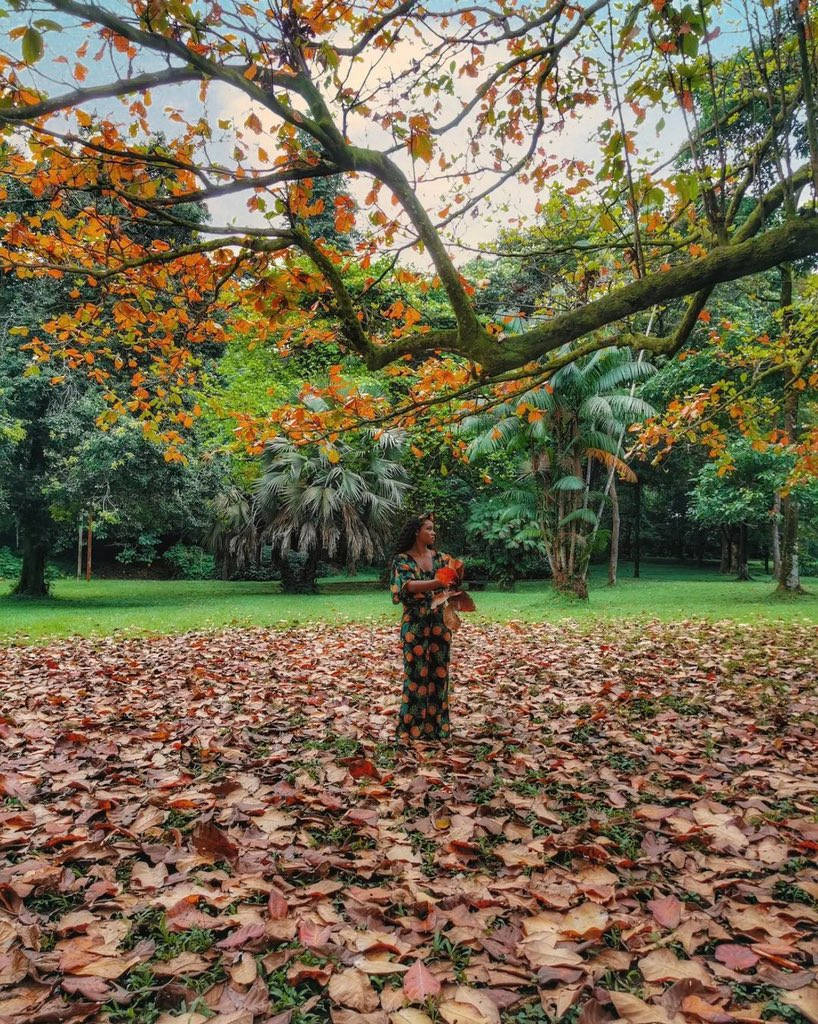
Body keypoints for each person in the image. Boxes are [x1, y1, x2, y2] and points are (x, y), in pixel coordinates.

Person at [389, 513, 459, 743]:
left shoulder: (440, 558)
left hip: (440, 624)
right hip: (415, 626)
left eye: (433, 529)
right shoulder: (402, 560)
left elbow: (455, 575)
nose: (433, 532)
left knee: (439, 675)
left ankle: (438, 730)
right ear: (416, 532)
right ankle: (411, 731)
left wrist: (452, 582)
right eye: (428, 528)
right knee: (416, 676)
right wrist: (438, 583)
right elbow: (407, 586)